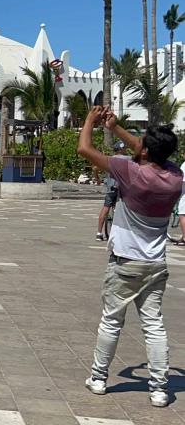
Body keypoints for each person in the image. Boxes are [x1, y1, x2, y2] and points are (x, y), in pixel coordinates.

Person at [76, 106, 182, 408]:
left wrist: (91, 121)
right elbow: (147, 151)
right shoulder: (175, 177)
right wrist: (116, 127)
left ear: (146, 150)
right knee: (154, 326)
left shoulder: (130, 172)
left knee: (111, 322)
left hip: (124, 262)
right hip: (155, 264)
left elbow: (84, 148)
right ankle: (160, 389)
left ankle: (98, 378)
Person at [95, 140, 127, 241]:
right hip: (122, 188)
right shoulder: (126, 159)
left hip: (110, 187)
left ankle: (99, 232)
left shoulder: (108, 159)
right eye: (125, 148)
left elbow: (95, 168)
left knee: (105, 208)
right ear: (122, 149)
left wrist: (98, 180)